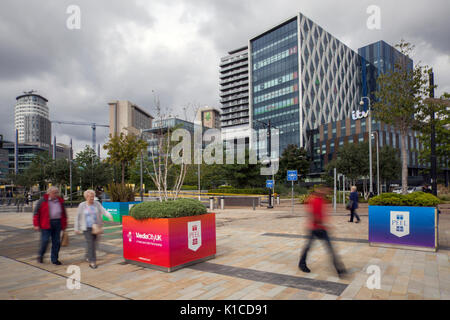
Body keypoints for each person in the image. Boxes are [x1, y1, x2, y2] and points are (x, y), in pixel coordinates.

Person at [299, 186, 346, 277]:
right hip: (315, 228)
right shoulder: (315, 200)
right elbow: (312, 214)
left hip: (320, 228)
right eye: (325, 191)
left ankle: (340, 269)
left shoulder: (321, 200)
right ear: (320, 191)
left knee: (328, 248)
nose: (327, 192)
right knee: (324, 248)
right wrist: (321, 224)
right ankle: (302, 264)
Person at [74, 189, 113, 269]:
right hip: (86, 227)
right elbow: (77, 217)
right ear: (86, 197)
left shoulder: (97, 204)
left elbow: (103, 211)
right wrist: (76, 228)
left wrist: (109, 215)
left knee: (94, 244)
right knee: (91, 243)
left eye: (93, 196)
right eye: (90, 197)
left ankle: (88, 255)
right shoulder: (82, 205)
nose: (92, 198)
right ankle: (92, 262)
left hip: (96, 227)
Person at [33, 186, 67, 265]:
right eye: (54, 193)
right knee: (45, 241)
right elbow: (36, 213)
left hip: (57, 223)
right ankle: (40, 255)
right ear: (49, 193)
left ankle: (54, 259)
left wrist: (64, 224)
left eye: (57, 192)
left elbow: (64, 213)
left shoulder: (60, 201)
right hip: (46, 223)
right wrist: (36, 224)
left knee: (57, 242)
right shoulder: (42, 200)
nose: (56, 194)